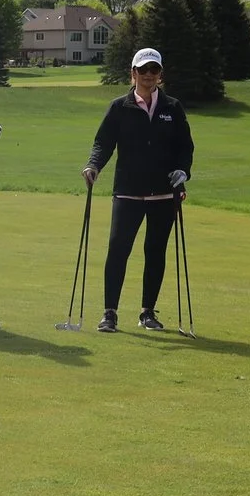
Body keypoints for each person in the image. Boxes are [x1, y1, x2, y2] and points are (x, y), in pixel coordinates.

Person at [81, 46, 193, 333]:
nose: (148, 75)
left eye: (153, 70)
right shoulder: (120, 107)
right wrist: (94, 166)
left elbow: (185, 147)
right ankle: (109, 313)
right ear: (132, 73)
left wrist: (183, 171)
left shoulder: (172, 107)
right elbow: (103, 143)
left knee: (155, 252)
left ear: (160, 74)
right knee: (118, 249)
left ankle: (147, 312)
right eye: (142, 70)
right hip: (128, 191)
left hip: (164, 193)